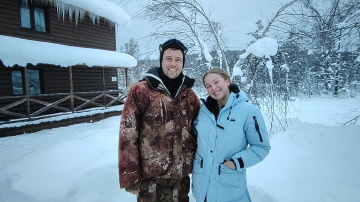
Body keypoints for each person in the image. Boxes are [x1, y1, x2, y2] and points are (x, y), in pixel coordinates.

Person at [118, 38, 201, 202]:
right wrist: (131, 179)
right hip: (151, 182)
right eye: (168, 58)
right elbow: (127, 135)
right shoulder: (141, 91)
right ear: (161, 60)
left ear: (183, 64)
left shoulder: (189, 95)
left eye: (178, 59)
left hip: (181, 179)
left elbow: (202, 128)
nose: (173, 63)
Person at [191, 68, 271, 202]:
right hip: (202, 188)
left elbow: (261, 147)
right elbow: (193, 139)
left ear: (227, 81)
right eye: (208, 86)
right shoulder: (202, 112)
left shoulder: (248, 111)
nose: (213, 88)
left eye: (216, 82)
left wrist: (235, 162)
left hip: (229, 187)